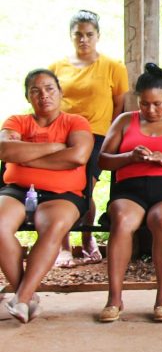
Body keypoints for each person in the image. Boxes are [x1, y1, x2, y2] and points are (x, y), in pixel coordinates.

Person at [97, 64, 162, 323]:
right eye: (145, 104)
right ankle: (114, 298)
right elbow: (103, 160)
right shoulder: (125, 121)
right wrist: (128, 157)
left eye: (157, 104)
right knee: (122, 220)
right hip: (130, 190)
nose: (151, 110)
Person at [0, 69, 93, 323]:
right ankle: (26, 298)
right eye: (36, 90)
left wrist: (26, 157)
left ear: (60, 93)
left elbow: (78, 156)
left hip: (63, 195)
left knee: (52, 227)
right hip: (17, 190)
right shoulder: (17, 121)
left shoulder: (75, 122)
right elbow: (5, 150)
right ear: (27, 96)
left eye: (50, 89)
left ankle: (21, 298)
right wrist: (54, 148)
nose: (44, 95)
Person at [50, 9, 129, 267]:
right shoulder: (57, 67)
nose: (83, 39)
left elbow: (119, 105)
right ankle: (63, 245)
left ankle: (87, 238)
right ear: (70, 36)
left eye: (89, 34)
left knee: (86, 187)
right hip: (63, 134)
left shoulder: (113, 67)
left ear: (98, 36)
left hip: (96, 135)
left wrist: (109, 139)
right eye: (78, 35)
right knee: (61, 186)